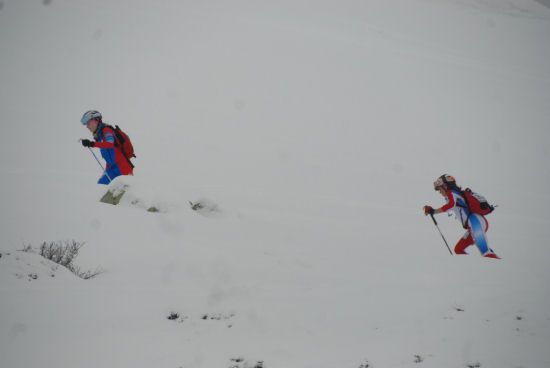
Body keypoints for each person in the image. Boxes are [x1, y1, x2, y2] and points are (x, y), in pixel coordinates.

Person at [423, 174, 499, 259]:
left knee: (486, 253)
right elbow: (449, 208)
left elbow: (450, 206)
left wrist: (433, 211)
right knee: (458, 250)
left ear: (445, 186)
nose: (439, 192)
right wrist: (432, 211)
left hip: (476, 223)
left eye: (440, 189)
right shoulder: (453, 195)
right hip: (474, 225)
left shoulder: (451, 192)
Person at [80, 110, 133, 184]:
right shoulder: (99, 136)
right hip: (111, 168)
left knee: (124, 191)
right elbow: (110, 156)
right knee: (101, 185)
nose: (87, 127)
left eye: (88, 123)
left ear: (96, 120)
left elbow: (109, 144)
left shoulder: (106, 130)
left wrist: (92, 144)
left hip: (122, 168)